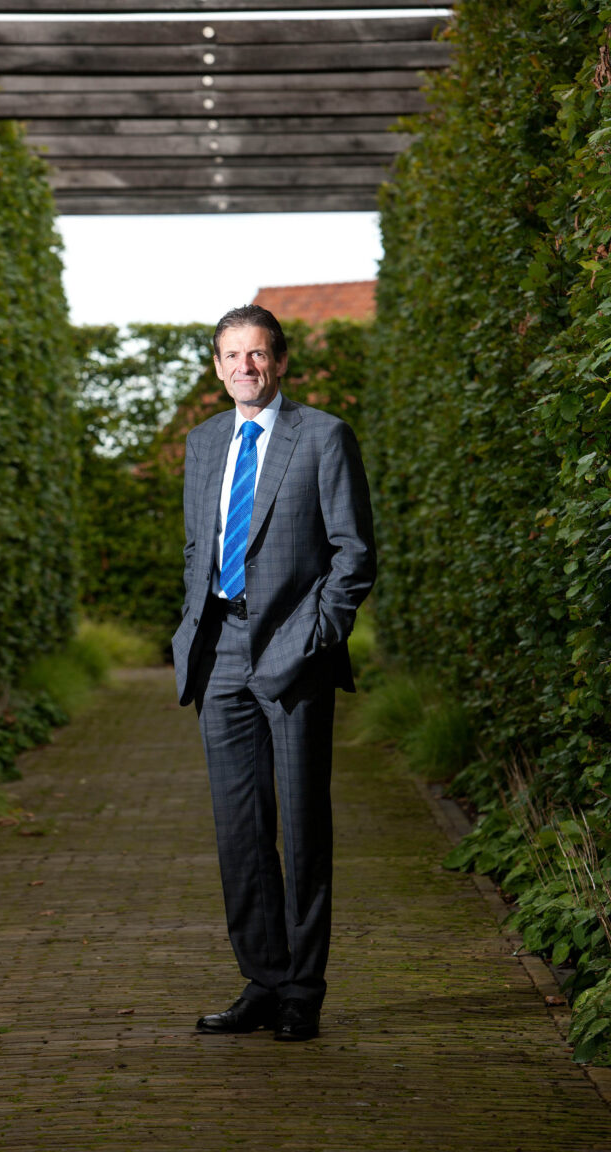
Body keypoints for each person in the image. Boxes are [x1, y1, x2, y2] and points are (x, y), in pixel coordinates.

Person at [171, 304, 376, 1041]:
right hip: (219, 651)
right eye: (231, 356)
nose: (244, 368)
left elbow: (354, 555)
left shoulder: (322, 437)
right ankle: (261, 979)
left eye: (257, 355)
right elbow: (202, 546)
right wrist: (189, 630)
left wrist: (315, 637)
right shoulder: (202, 444)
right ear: (217, 366)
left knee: (302, 826)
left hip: (296, 654)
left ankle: (303, 992)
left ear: (280, 362)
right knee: (240, 831)